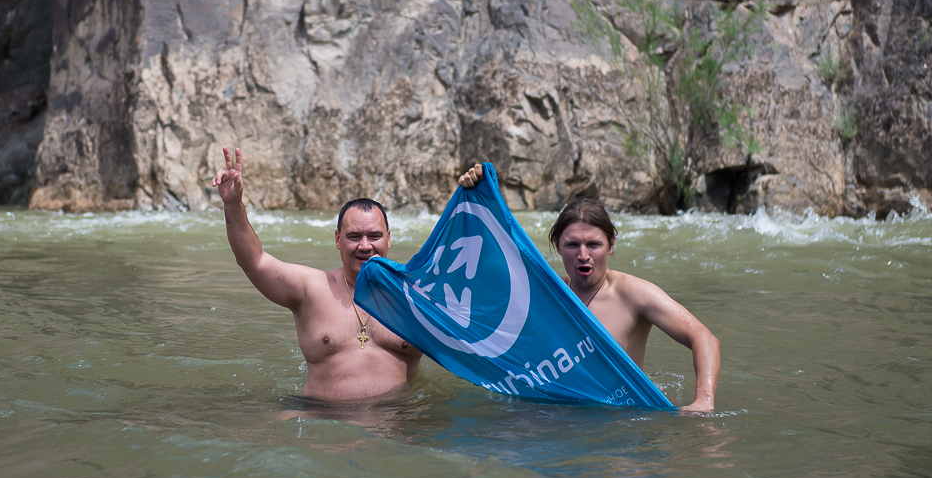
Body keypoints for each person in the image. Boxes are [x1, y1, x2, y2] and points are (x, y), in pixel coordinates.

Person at [458, 165, 720, 412]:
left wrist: (703, 401)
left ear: (611, 245)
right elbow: (483, 270)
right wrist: (479, 194)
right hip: (554, 416)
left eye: (593, 245)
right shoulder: (544, 294)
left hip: (617, 419)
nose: (583, 255)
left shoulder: (634, 295)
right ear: (557, 245)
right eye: (572, 245)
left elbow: (704, 338)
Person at [212, 147, 422, 400]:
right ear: (337, 240)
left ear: (388, 239)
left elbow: (473, 294)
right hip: (322, 420)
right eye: (354, 236)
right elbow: (254, 261)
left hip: (397, 420)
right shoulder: (312, 288)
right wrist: (233, 205)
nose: (365, 246)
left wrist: (480, 191)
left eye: (375, 236)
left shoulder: (416, 294)